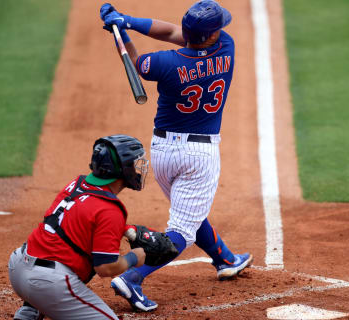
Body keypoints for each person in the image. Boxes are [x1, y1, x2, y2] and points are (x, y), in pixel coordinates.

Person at [100, 0, 253, 312]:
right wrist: (126, 21)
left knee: (189, 211)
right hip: (199, 154)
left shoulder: (164, 64)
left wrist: (122, 27)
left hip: (163, 154)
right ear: (210, 36)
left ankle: (224, 258)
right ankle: (132, 277)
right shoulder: (226, 46)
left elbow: (134, 61)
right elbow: (173, 32)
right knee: (181, 230)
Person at [9, 134, 150, 320]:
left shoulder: (77, 184)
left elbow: (79, 219)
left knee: (67, 247)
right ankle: (38, 302)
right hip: (46, 283)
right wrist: (134, 258)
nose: (137, 168)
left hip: (18, 267)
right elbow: (105, 268)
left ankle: (30, 310)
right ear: (122, 169)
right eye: (134, 163)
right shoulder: (110, 210)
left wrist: (124, 229)